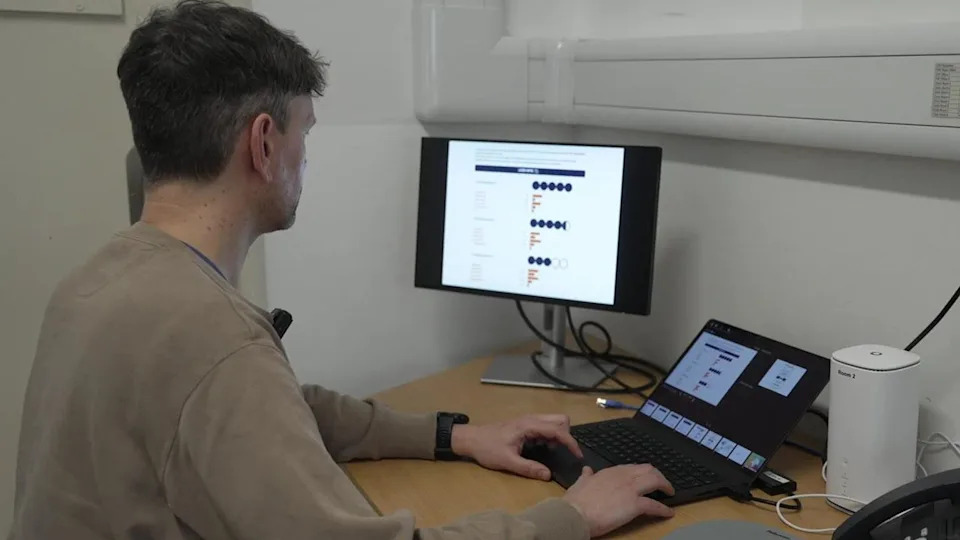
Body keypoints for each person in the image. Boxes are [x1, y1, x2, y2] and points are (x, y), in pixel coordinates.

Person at [8, 2, 675, 539]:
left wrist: (455, 435)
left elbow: (281, 413)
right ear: (264, 144)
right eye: (307, 131)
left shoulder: (101, 282)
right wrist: (571, 517)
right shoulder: (215, 339)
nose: (307, 157)